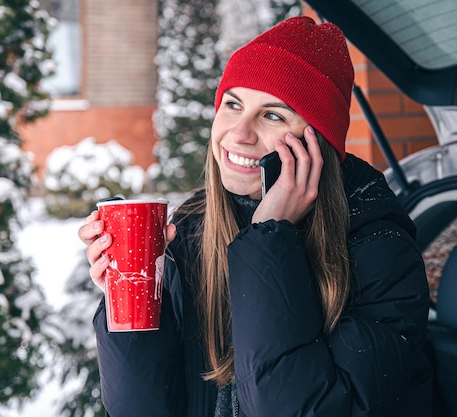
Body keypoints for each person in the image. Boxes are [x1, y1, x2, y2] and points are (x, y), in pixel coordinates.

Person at [78, 16, 432, 417]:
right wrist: (130, 305)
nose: (240, 133)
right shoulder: (194, 229)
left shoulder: (378, 251)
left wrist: (270, 237)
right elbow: (141, 409)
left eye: (273, 115)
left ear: (318, 142)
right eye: (233, 105)